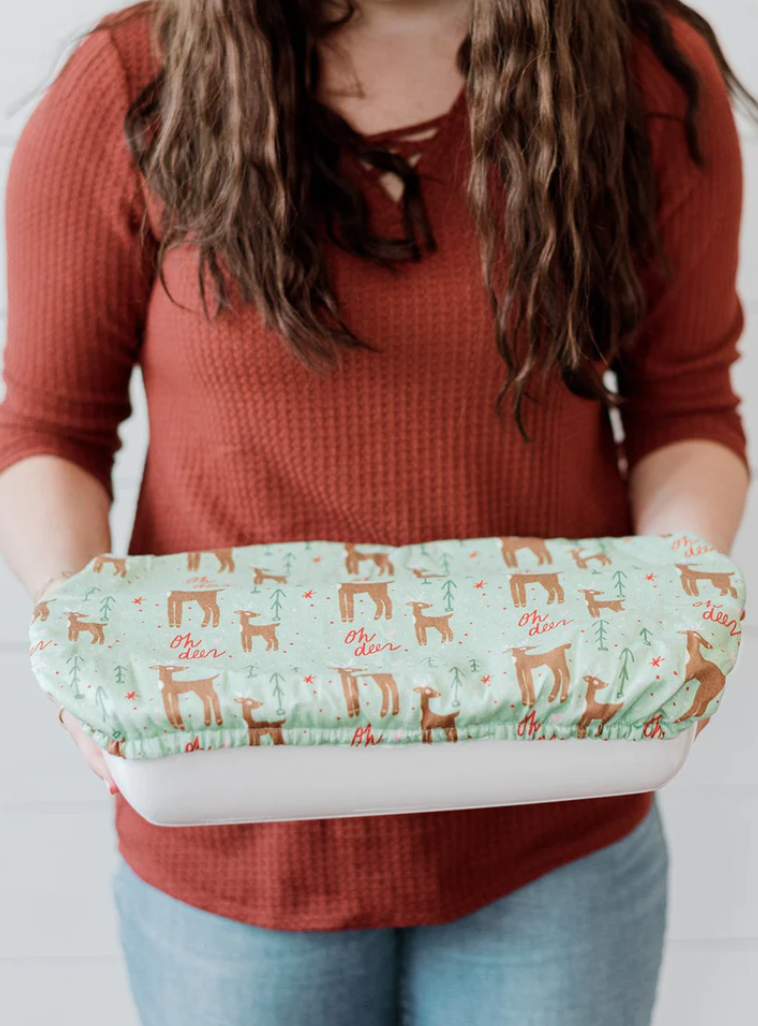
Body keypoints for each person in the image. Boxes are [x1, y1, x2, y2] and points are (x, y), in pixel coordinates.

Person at [0, 1, 753, 1023]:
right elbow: (50, 431)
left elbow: (684, 407)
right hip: (231, 844)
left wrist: (677, 622)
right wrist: (88, 651)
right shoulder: (131, 84)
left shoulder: (643, 73)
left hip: (557, 824)